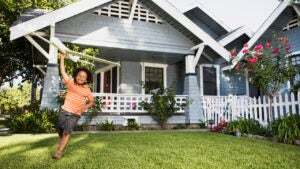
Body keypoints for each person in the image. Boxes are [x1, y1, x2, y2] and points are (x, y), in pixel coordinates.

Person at [52, 52, 94, 159]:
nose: (81, 78)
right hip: (64, 110)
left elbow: (91, 101)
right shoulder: (71, 84)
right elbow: (63, 72)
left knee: (67, 132)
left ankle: (59, 152)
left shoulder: (87, 90)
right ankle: (60, 141)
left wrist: (85, 107)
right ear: (75, 75)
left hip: (75, 114)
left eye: (83, 77)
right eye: (79, 75)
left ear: (86, 79)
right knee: (60, 131)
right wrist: (62, 58)